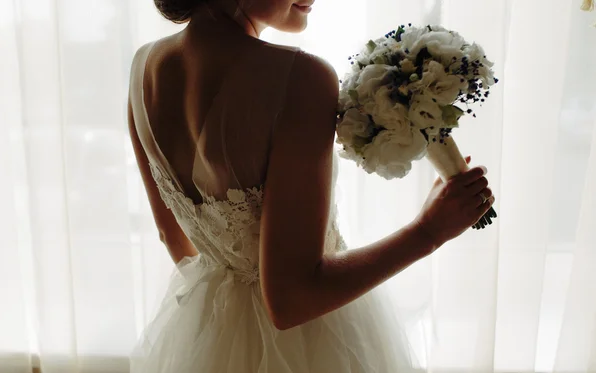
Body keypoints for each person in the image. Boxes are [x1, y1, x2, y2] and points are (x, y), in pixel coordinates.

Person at [126, 0, 496, 371]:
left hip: (208, 339)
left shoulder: (144, 66)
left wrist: (230, 312)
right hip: (310, 348)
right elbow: (291, 303)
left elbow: (174, 239)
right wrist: (427, 231)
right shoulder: (298, 77)